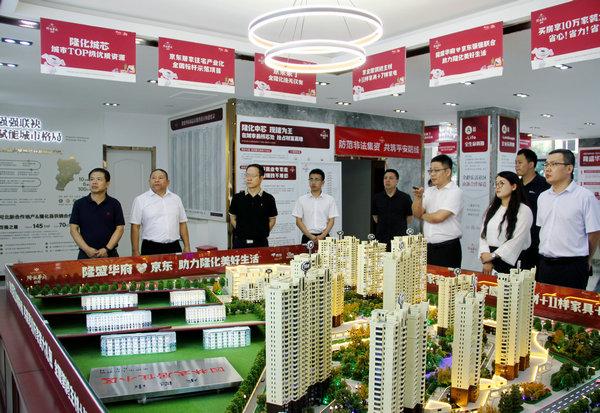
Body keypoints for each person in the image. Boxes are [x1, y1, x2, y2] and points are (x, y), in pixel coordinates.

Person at [537, 149, 600, 289]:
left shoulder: (585, 197)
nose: (547, 169)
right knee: (544, 302)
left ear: (569, 168)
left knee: (570, 302)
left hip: (572, 266)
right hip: (545, 264)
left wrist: (586, 258)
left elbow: (594, 233)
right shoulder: (543, 197)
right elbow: (543, 228)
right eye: (546, 164)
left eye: (553, 164)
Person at [412, 154, 463, 268]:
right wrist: (418, 198)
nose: (432, 174)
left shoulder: (455, 192)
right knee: (427, 279)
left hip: (448, 248)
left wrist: (423, 215)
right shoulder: (429, 191)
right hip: (428, 247)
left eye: (436, 170)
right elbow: (416, 214)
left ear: (448, 172)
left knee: (446, 279)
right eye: (431, 170)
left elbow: (438, 218)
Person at [479, 171, 533, 275]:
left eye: (502, 183)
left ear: (514, 186)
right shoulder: (492, 208)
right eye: (496, 183)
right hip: (490, 261)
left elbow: (517, 240)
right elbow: (483, 235)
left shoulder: (524, 210)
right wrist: (486, 258)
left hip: (513, 260)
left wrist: (493, 255)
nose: (498, 187)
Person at [130, 168, 191, 256]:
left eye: (160, 178)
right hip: (151, 248)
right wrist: (135, 250)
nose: (156, 180)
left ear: (168, 182)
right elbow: (135, 226)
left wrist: (187, 246)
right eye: (153, 178)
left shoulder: (176, 199)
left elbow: (182, 223)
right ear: (149, 181)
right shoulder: (140, 200)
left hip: (174, 246)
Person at [69, 168, 125, 259]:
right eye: (92, 179)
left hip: (110, 253)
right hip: (85, 254)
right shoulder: (79, 204)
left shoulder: (114, 204)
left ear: (107, 183)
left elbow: (120, 229)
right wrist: (87, 249)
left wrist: (107, 249)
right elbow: (73, 229)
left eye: (99, 179)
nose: (94, 182)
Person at [515, 148, 550, 269]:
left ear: (531, 164)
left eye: (520, 162)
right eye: (516, 163)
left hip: (536, 241)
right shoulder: (516, 186)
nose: (517, 166)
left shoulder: (544, 185)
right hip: (518, 239)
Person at [229, 164, 278, 248]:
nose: (249, 178)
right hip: (240, 243)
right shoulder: (237, 197)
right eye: (247, 175)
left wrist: (262, 232)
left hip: (261, 243)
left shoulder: (269, 198)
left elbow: (272, 219)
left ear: (261, 178)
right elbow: (232, 217)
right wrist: (241, 230)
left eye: (253, 176)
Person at [292, 168, 339, 244]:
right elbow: (298, 221)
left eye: (317, 179)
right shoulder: (301, 199)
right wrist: (310, 236)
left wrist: (322, 236)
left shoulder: (330, 199)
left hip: (324, 237)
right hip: (307, 237)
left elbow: (331, 221)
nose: (313, 182)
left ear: (322, 182)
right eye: (311, 179)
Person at [371, 168, 413, 251]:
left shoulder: (405, 198)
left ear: (397, 181)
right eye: (385, 178)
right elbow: (375, 218)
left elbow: (409, 218)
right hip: (381, 238)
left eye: (391, 178)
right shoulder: (377, 198)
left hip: (399, 239)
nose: (387, 180)